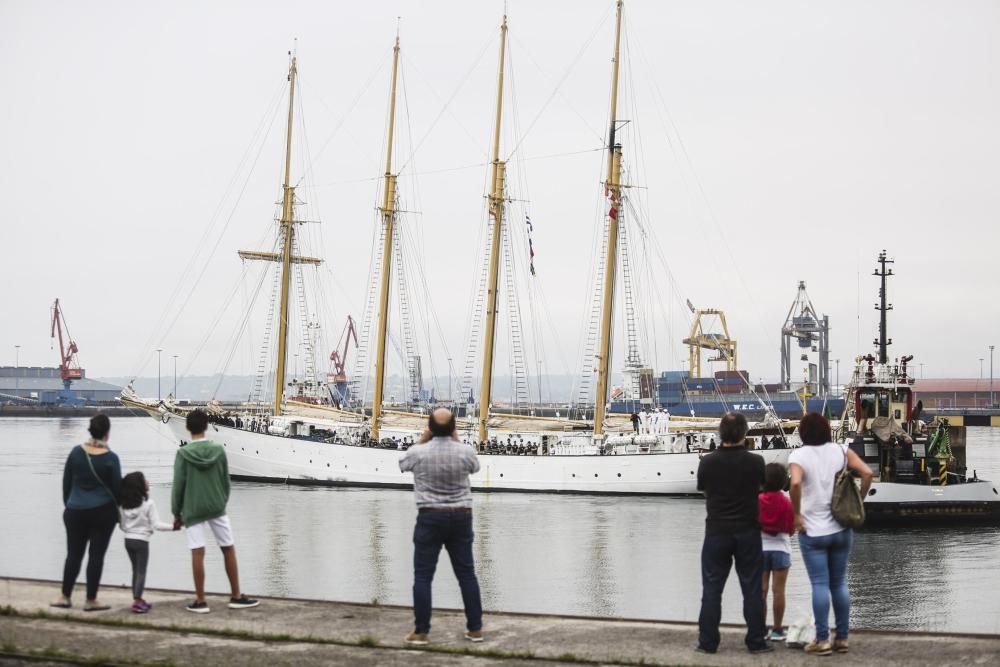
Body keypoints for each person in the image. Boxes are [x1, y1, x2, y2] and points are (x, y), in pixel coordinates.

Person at [789, 412, 872, 656]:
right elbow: (867, 473)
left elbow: (794, 484)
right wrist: (860, 501)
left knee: (819, 584)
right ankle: (843, 638)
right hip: (841, 528)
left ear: (803, 432)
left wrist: (796, 515)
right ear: (826, 430)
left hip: (812, 532)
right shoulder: (841, 451)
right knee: (839, 584)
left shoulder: (799, 455)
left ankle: (822, 640)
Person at [399, 408, 483, 646]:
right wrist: (455, 440)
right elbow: (475, 467)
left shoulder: (418, 453)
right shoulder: (465, 452)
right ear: (454, 427)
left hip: (430, 517)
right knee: (466, 574)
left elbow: (403, 464)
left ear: (430, 428)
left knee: (423, 576)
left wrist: (422, 439)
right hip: (461, 516)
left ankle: (421, 631)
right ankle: (475, 629)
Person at [695, 412, 771, 655]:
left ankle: (708, 642)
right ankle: (756, 641)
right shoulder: (757, 462)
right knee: (751, 588)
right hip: (748, 530)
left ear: (720, 433)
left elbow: (706, 493)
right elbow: (759, 490)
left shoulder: (706, 462)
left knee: (712, 589)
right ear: (744, 433)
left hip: (716, 530)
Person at [172, 409, 259, 614]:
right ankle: (236, 596)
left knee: (197, 552)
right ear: (206, 427)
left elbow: (179, 487)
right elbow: (225, 482)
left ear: (188, 428)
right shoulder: (219, 451)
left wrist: (177, 514)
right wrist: (221, 501)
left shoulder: (183, 454)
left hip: (193, 508)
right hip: (216, 507)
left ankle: (201, 601)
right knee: (228, 548)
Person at [52, 414, 122, 611]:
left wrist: (71, 504)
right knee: (96, 556)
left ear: (91, 430)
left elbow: (66, 484)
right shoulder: (111, 459)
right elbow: (117, 489)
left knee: (73, 554)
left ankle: (65, 596)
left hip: (75, 511)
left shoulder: (76, 453)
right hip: (103, 512)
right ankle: (91, 600)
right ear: (107, 433)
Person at [118, 471, 176, 613]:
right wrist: (174, 527)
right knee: (141, 571)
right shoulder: (148, 504)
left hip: (128, 540)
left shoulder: (123, 505)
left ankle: (137, 598)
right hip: (142, 542)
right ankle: (137, 601)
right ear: (139, 485)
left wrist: (130, 530)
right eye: (144, 480)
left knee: (135, 570)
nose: (147, 481)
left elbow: (122, 525)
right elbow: (157, 525)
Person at [759, 463, 794, 641]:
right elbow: (791, 529)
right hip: (781, 548)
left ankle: (760, 630)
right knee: (778, 591)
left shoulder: (757, 500)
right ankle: (778, 630)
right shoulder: (786, 502)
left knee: (761, 591)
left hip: (760, 549)